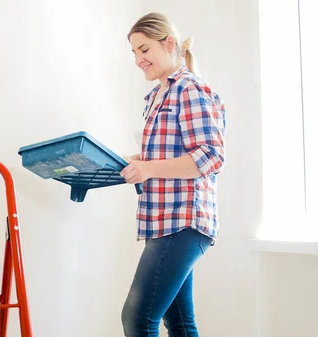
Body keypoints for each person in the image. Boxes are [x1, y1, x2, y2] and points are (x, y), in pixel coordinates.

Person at [118, 12, 226, 337]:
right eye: (134, 52)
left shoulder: (189, 89)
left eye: (144, 49)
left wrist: (147, 168)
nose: (138, 59)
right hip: (164, 220)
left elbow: (210, 155)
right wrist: (128, 162)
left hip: (184, 221)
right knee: (178, 323)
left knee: (137, 320)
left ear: (168, 43)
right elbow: (168, 154)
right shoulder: (157, 96)